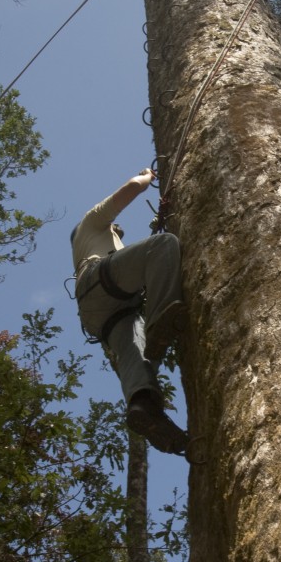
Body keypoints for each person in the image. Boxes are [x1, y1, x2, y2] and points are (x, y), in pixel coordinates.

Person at [71, 169, 188, 455]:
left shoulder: (101, 243)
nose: (117, 227)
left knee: (138, 354)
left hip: (103, 313)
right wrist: (146, 176)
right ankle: (159, 321)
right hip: (100, 282)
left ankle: (144, 406)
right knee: (163, 245)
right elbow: (133, 187)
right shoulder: (91, 222)